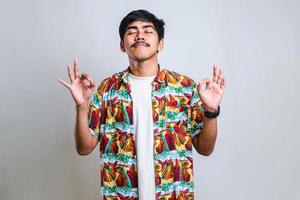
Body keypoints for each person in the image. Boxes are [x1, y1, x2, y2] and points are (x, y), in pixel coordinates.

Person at [59, 9, 226, 200]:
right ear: (122, 45)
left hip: (172, 195)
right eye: (131, 31)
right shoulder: (107, 89)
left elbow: (205, 149)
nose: (139, 35)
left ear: (160, 44)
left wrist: (211, 111)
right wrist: (82, 105)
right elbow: (84, 148)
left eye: (147, 30)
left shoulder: (184, 88)